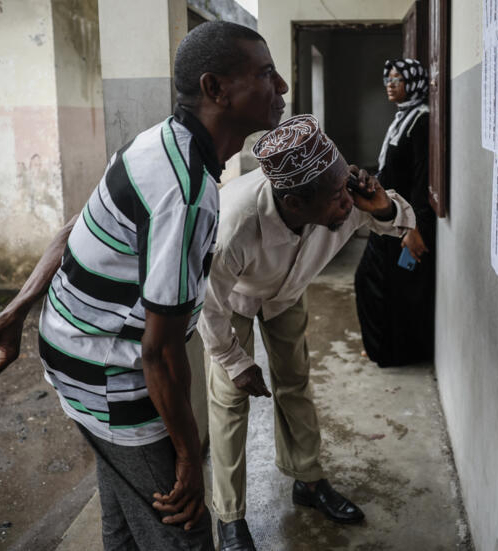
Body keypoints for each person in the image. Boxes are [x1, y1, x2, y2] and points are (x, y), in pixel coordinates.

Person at [0, 21, 288, 551]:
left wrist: (17, 313)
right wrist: (185, 456)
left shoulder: (156, 140)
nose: (282, 88)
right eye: (266, 74)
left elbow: (74, 228)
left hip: (72, 356)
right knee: (182, 528)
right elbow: (158, 353)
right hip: (108, 378)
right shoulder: (186, 194)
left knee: (125, 524)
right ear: (215, 89)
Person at [198, 114, 415, 550]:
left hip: (288, 293)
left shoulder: (342, 197)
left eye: (345, 189)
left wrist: (385, 208)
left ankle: (308, 480)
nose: (346, 202)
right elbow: (209, 305)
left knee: (294, 382)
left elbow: (397, 220)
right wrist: (237, 362)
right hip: (235, 297)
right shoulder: (234, 225)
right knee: (230, 400)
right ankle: (229, 517)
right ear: (294, 203)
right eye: (337, 197)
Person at [354, 58, 435, 367]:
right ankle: (380, 348)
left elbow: (421, 178)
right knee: (374, 282)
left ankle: (392, 352)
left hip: (404, 221)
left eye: (398, 79)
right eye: (387, 78)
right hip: (387, 213)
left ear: (413, 83)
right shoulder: (405, 116)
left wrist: (413, 228)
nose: (390, 83)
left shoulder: (421, 120)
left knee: (394, 287)